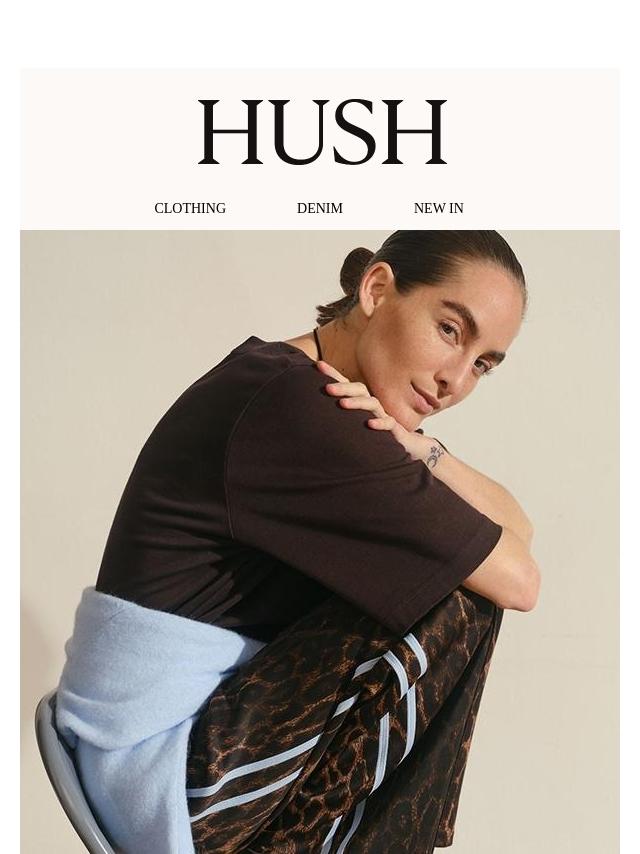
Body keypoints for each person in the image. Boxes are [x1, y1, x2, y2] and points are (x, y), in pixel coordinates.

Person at [55, 231, 540, 854]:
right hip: (163, 776)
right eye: (450, 330)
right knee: (461, 597)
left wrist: (424, 449)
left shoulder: (289, 385)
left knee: (460, 575)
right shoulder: (299, 409)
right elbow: (519, 580)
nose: (455, 380)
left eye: (482, 364)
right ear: (377, 290)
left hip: (161, 752)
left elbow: (519, 531)